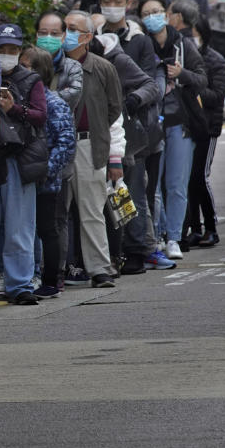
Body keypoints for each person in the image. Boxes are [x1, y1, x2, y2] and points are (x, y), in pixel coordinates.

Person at [138, 0, 207, 259]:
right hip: (150, 125)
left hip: (180, 123)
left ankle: (175, 238)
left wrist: (182, 75)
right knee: (151, 186)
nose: (153, 16)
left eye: (157, 11)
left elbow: (202, 79)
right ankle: (155, 235)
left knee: (177, 184)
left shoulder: (183, 44)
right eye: (147, 13)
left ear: (167, 15)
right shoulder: (140, 45)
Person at [63, 10, 125, 288]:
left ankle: (100, 268)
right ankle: (53, 270)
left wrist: (110, 149)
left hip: (90, 145)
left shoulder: (102, 67)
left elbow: (114, 108)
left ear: (87, 37)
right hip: (58, 146)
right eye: (63, 28)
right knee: (56, 213)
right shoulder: (51, 65)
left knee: (91, 210)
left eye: (72, 29)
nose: (65, 34)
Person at [0, 24, 49, 302]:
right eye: (1, 50)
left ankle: (20, 284)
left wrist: (13, 108)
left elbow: (40, 115)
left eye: (12, 50)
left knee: (20, 226)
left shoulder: (31, 79)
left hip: (19, 159)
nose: (6, 55)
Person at [90, 33, 160, 275]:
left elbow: (151, 85)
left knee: (127, 195)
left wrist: (132, 100)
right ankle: (114, 252)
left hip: (126, 141)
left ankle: (136, 251)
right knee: (104, 199)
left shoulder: (116, 60)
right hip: (97, 141)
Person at [20, 46, 76, 297]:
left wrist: (47, 170)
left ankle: (52, 281)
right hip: (25, 178)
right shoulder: (24, 100)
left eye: (25, 65)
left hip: (46, 181)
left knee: (47, 229)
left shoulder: (53, 102)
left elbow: (66, 142)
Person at [184, 19, 225, 249]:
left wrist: (194, 87)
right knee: (189, 178)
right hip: (188, 125)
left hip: (208, 127)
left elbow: (218, 94)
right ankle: (195, 227)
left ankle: (211, 227)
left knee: (201, 176)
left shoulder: (216, 61)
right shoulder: (185, 58)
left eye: (193, 34)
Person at [35, 11, 84, 110]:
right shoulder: (26, 62)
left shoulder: (73, 67)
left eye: (54, 33)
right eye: (43, 33)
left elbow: (73, 94)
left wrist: (37, 98)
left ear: (63, 36)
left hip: (61, 123)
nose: (48, 37)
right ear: (36, 35)